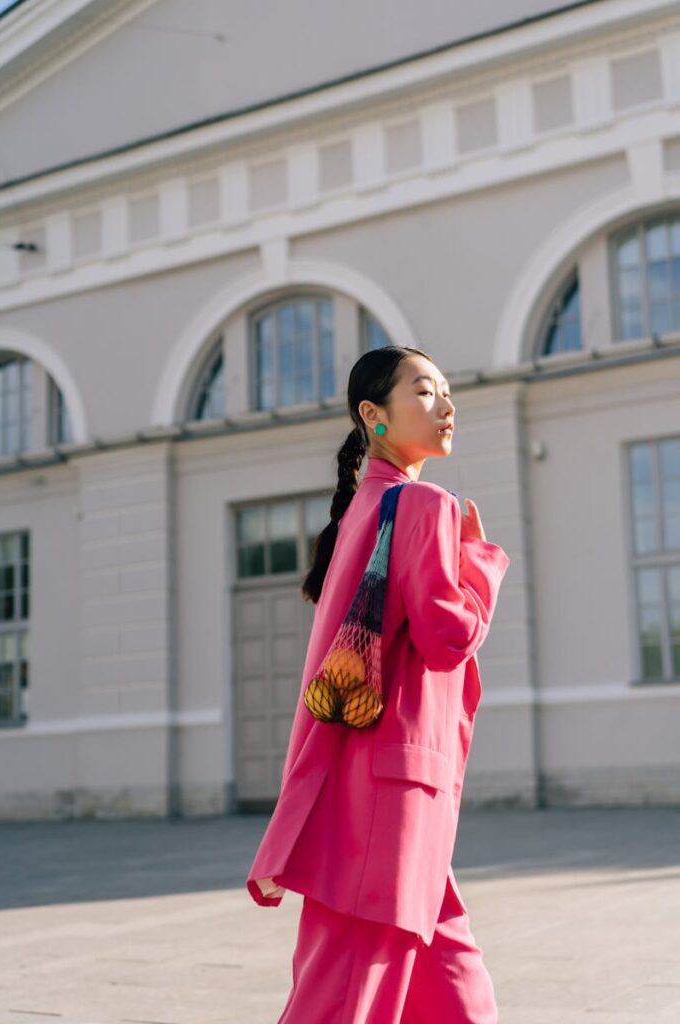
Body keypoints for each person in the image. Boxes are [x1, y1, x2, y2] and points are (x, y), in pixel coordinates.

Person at [246, 344, 511, 1023]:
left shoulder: (363, 510)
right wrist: (478, 564)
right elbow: (447, 637)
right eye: (424, 391)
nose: (446, 404)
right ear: (374, 415)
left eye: (446, 390)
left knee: (456, 989)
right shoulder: (420, 503)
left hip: (379, 784)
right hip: (392, 795)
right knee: (344, 997)